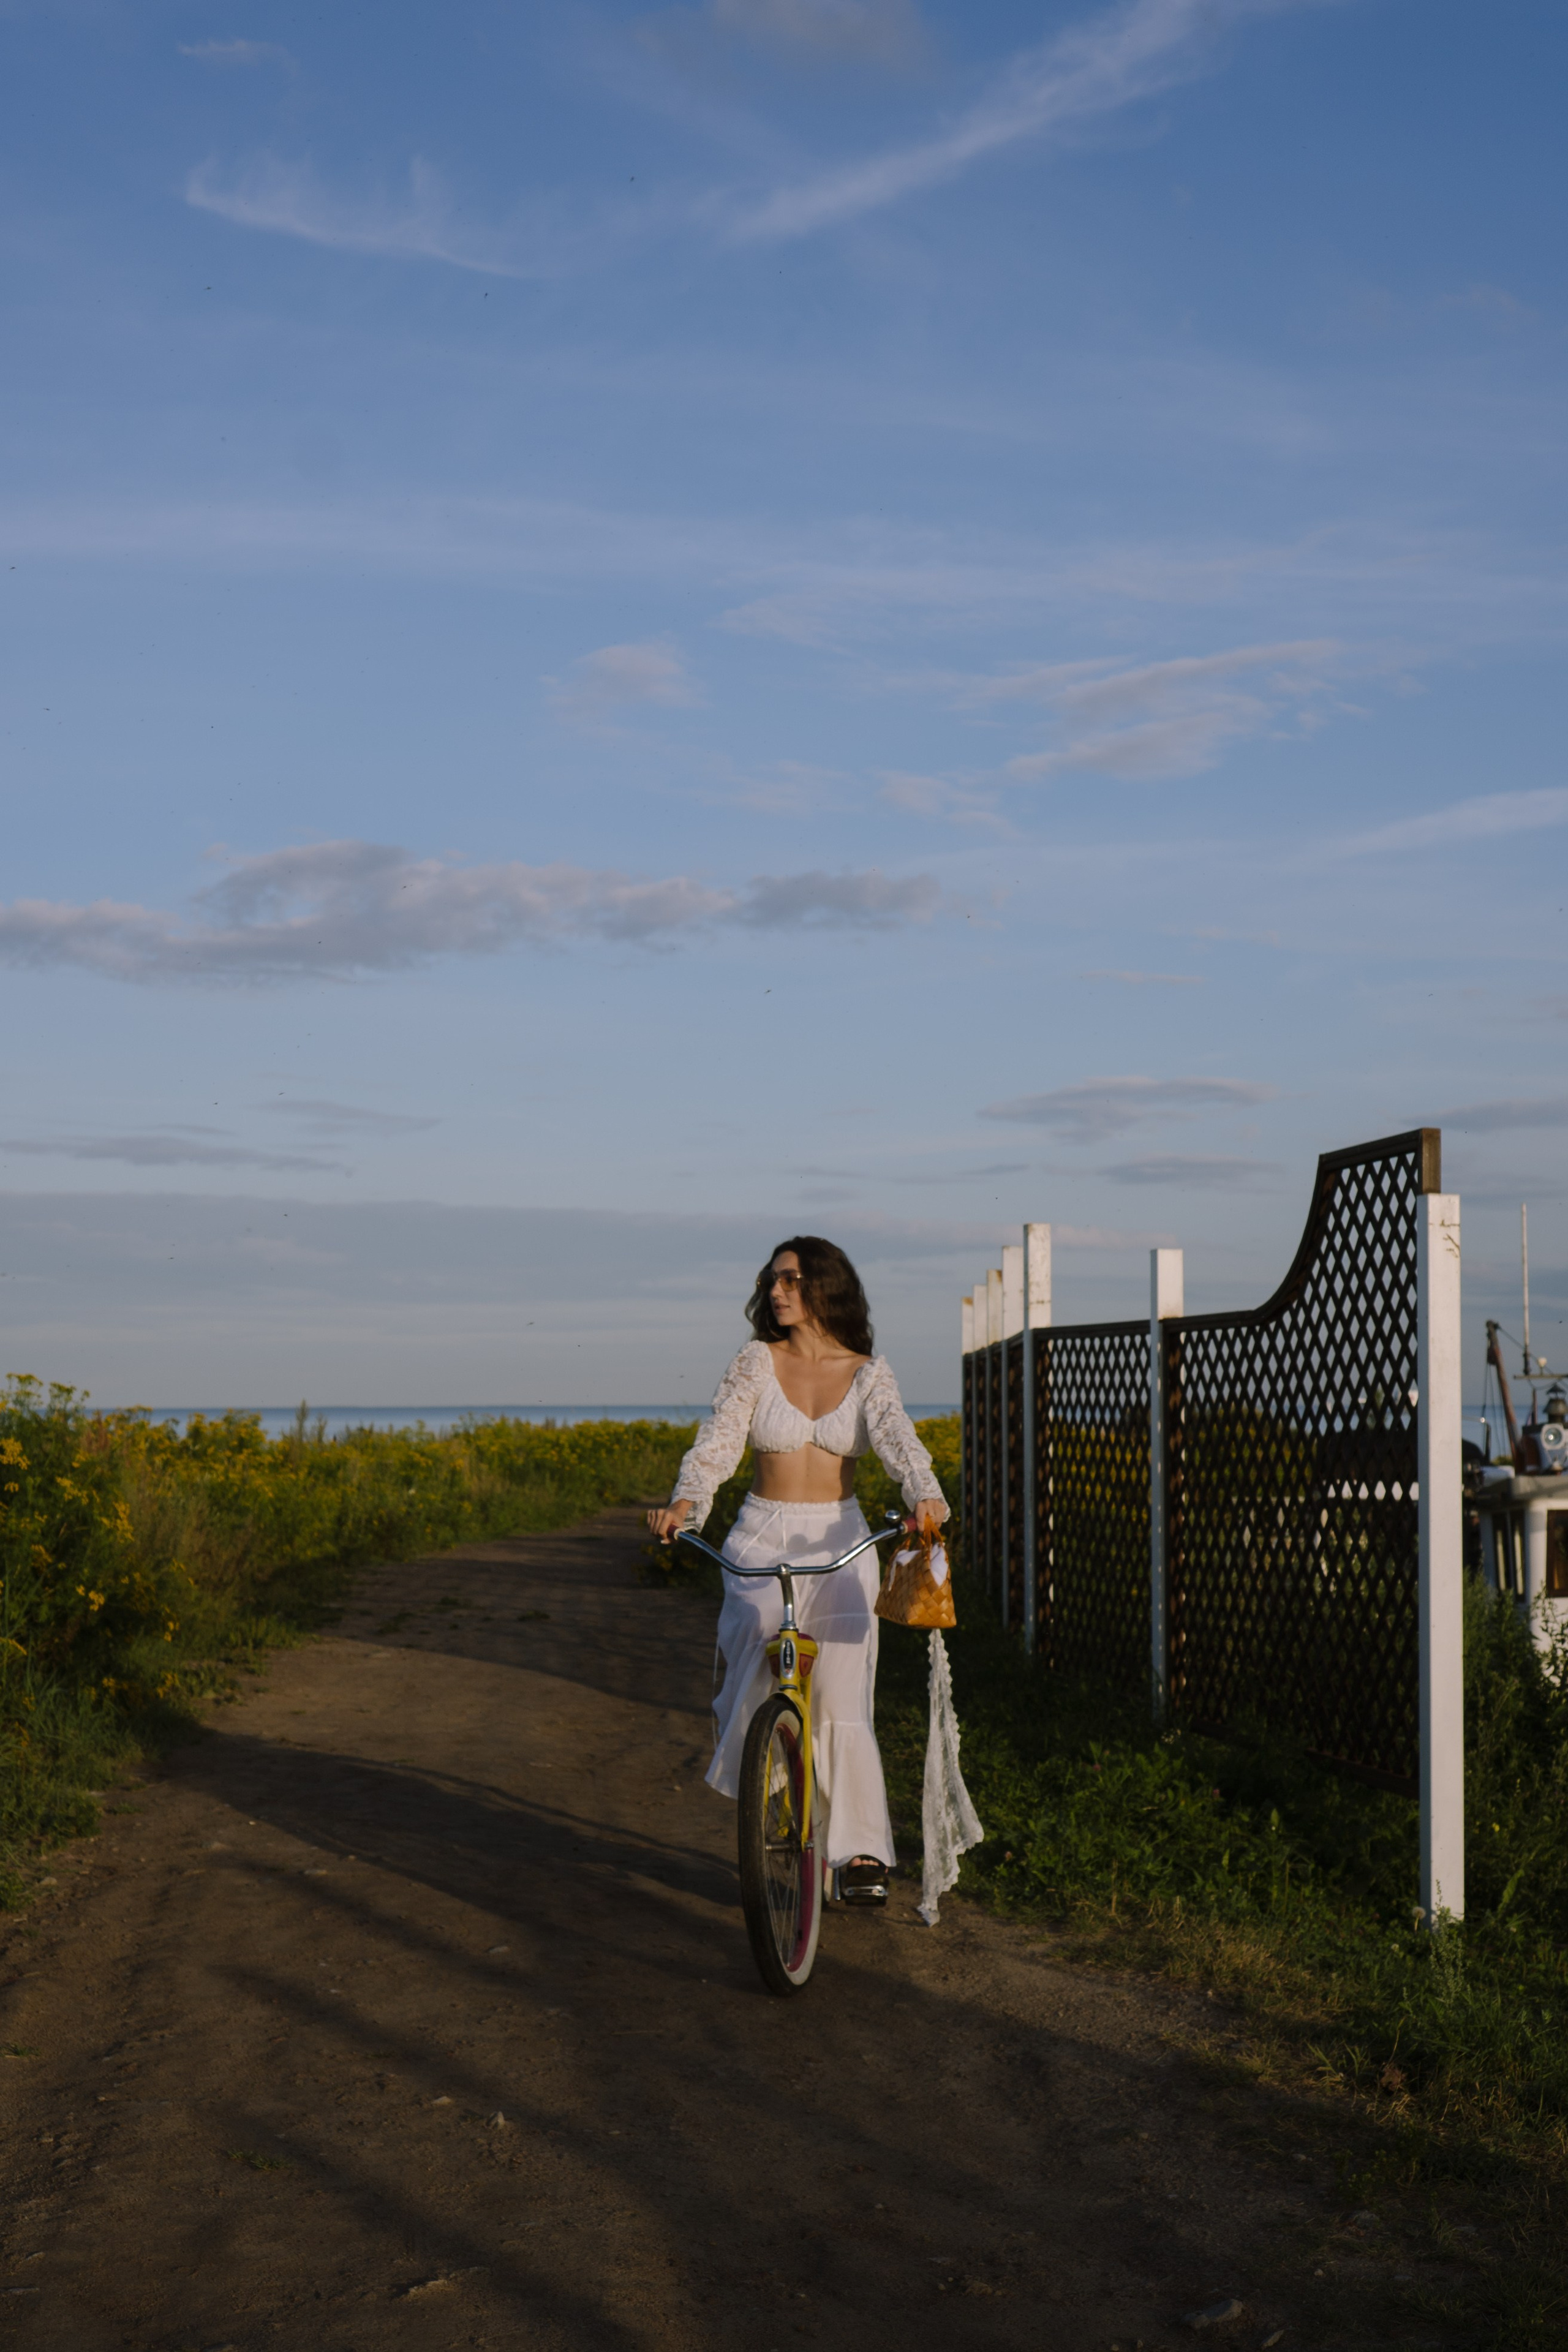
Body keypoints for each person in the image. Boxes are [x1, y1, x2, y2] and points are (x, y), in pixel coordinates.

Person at [647, 1235, 949, 1903]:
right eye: (772, 1281)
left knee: (843, 1701)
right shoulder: (756, 1361)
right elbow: (720, 1439)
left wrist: (922, 1493)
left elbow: (899, 1439)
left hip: (841, 1540)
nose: (776, 1292)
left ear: (824, 1286)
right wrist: (686, 1502)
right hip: (763, 1535)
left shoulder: (868, 1372)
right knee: (758, 1662)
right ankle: (775, 1784)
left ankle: (860, 1854)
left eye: (790, 1280)